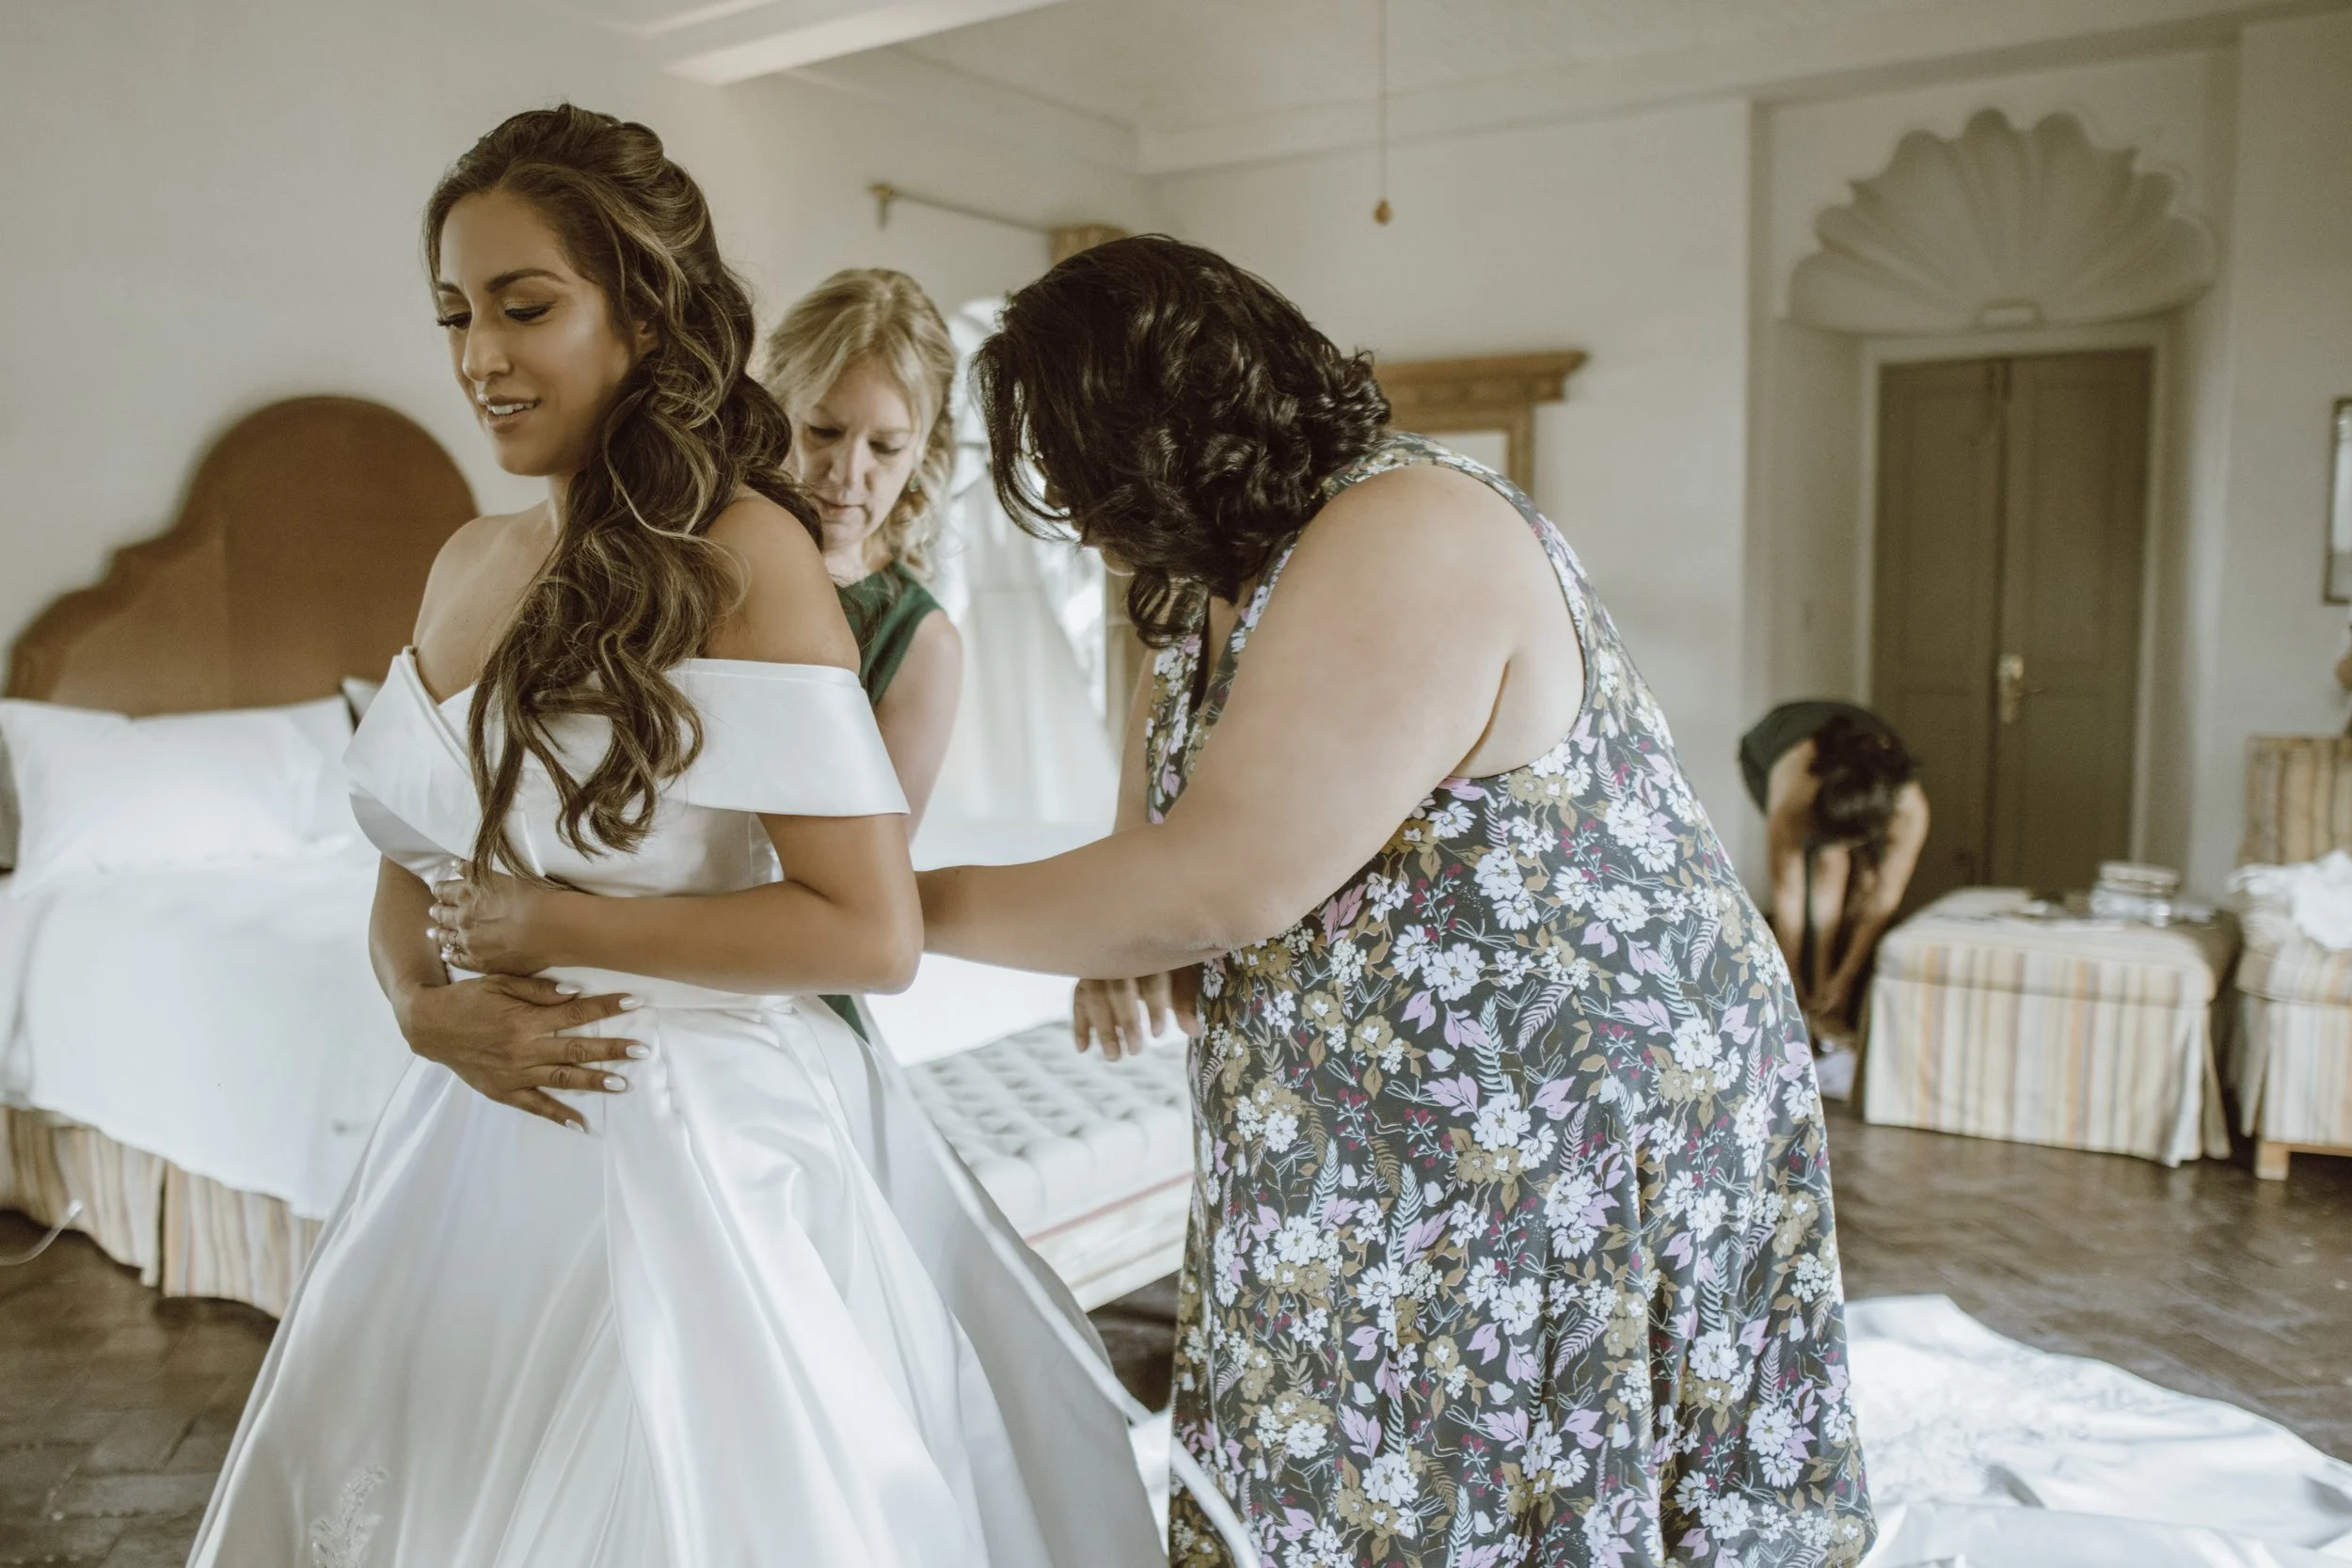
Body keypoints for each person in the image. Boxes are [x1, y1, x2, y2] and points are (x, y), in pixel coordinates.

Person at [188, 106, 1159, 1568]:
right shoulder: (465, 561)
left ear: (642, 317)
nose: (478, 355)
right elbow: (410, 854)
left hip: (694, 1137)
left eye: (525, 306)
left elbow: (871, 930)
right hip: (472, 1137)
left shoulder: (746, 552)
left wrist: (557, 926)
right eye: (455, 313)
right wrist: (420, 1008)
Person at [907, 237, 1876, 1564]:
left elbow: (1223, 878)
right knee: (1344, 1454)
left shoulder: (1405, 524)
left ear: (1169, 427)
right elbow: (1172, 801)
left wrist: (888, 908)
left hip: (1556, 1113)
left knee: (1486, 1462)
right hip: (1374, 1124)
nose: (1076, 516)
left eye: (1084, 468)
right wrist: (1118, 920)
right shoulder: (1198, 581)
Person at [764, 268, 962, 1039]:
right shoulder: (697, 561)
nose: (848, 474)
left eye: (885, 446)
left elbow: (864, 901)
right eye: (822, 430)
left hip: (787, 994)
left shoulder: (921, 641)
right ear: (777, 408)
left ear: (924, 450)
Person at [1739, 701, 1929, 1044]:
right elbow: (1789, 892)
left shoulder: (1910, 809)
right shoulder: (1793, 795)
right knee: (1826, 861)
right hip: (1771, 743)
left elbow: (1884, 897)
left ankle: (1830, 998)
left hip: (1865, 775)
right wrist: (1789, 975)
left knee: (1863, 880)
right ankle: (1812, 996)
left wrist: (1845, 977)